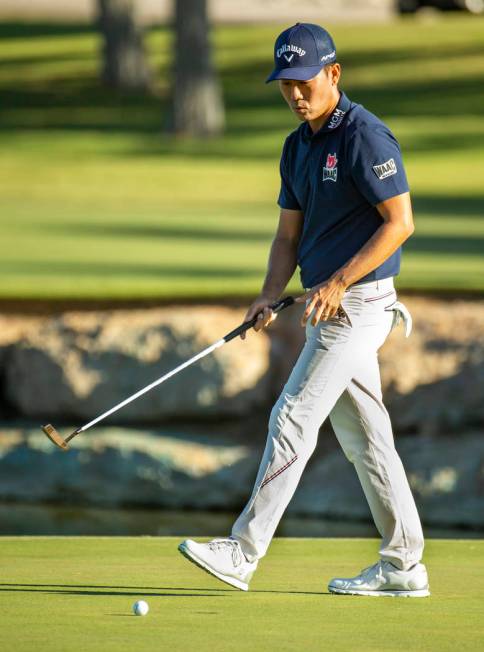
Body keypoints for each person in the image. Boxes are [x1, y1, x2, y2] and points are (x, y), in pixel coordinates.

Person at [178, 23, 429, 598]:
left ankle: (242, 552)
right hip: (328, 305)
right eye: (285, 83)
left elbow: (401, 223)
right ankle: (404, 566)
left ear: (333, 74)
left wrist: (341, 278)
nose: (295, 93)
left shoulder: (366, 137)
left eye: (305, 80)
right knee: (368, 440)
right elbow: (287, 237)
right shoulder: (296, 146)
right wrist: (268, 293)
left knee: (292, 418)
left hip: (358, 305)